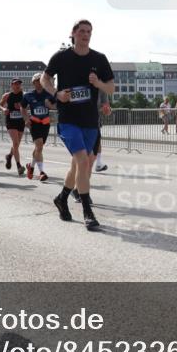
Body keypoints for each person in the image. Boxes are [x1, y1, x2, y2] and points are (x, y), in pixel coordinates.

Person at [42, 19, 115, 230]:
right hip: (68, 119)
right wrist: (56, 93)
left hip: (90, 121)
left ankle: (62, 198)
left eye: (89, 32)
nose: (86, 35)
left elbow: (111, 88)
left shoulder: (99, 59)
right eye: (82, 31)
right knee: (83, 162)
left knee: (79, 164)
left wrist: (98, 83)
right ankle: (87, 212)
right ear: (73, 34)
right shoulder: (61, 57)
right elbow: (46, 79)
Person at [23, 72, 56, 181]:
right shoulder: (28, 95)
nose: (39, 83)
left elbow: (56, 106)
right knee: (39, 146)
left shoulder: (49, 94)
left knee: (38, 149)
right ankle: (41, 172)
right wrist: (27, 119)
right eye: (37, 81)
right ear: (33, 83)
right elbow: (22, 108)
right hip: (35, 123)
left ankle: (31, 167)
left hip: (45, 124)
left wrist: (50, 105)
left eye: (41, 80)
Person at [0, 78, 27, 176]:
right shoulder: (7, 95)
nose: (17, 86)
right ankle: (19, 166)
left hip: (21, 121)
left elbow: (28, 106)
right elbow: (0, 104)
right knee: (15, 143)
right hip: (11, 121)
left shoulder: (24, 95)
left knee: (17, 144)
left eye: (19, 84)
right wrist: (3, 109)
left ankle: (9, 156)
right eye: (15, 84)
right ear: (11, 85)